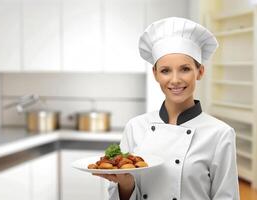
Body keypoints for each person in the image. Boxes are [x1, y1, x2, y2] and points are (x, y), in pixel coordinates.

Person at [94, 17, 240, 200]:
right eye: (165, 70)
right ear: (155, 74)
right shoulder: (136, 127)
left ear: (200, 72)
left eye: (185, 69)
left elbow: (227, 197)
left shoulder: (220, 134)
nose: (175, 80)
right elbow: (120, 195)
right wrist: (126, 184)